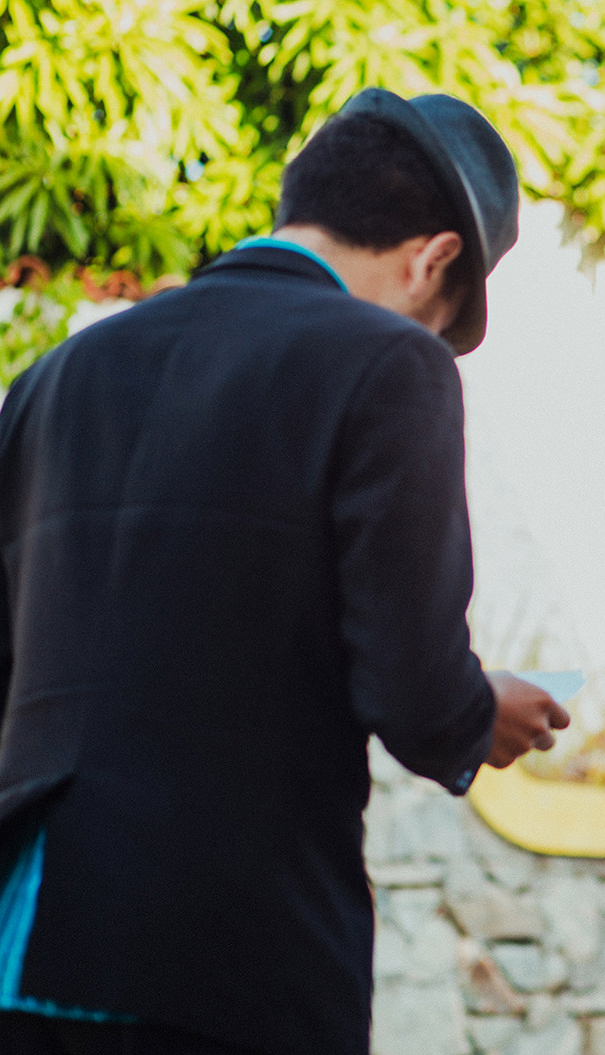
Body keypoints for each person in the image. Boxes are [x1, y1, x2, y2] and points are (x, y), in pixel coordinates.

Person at [0, 88, 572, 1055]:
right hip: (224, 952)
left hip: (27, 932)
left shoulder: (58, 373)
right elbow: (414, 684)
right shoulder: (392, 364)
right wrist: (484, 715)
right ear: (435, 258)